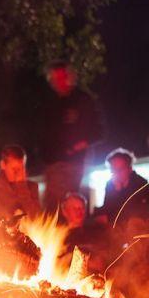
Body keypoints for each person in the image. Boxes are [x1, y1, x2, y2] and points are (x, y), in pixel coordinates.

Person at [38, 60, 103, 213]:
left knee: (71, 204)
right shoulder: (50, 102)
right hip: (52, 163)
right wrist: (45, 155)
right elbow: (43, 132)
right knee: (52, 206)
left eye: (61, 77)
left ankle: (73, 234)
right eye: (54, 79)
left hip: (74, 163)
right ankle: (54, 235)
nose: (57, 82)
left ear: (70, 77)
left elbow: (99, 131)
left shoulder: (82, 100)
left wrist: (83, 143)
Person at [93, 148, 149, 229]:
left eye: (120, 168)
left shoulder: (142, 184)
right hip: (116, 229)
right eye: (113, 169)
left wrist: (120, 192)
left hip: (138, 229)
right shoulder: (110, 185)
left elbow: (134, 211)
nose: (117, 172)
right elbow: (107, 208)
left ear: (129, 168)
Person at [0, 145, 42, 229]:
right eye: (14, 169)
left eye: (21, 168)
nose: (18, 174)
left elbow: (37, 218)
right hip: (4, 238)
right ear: (3, 165)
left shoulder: (31, 187)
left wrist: (22, 188)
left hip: (29, 237)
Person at [59, 193, 110, 274]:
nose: (79, 211)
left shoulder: (94, 232)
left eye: (82, 208)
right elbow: (60, 262)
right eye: (75, 208)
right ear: (65, 211)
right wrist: (87, 263)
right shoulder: (59, 236)